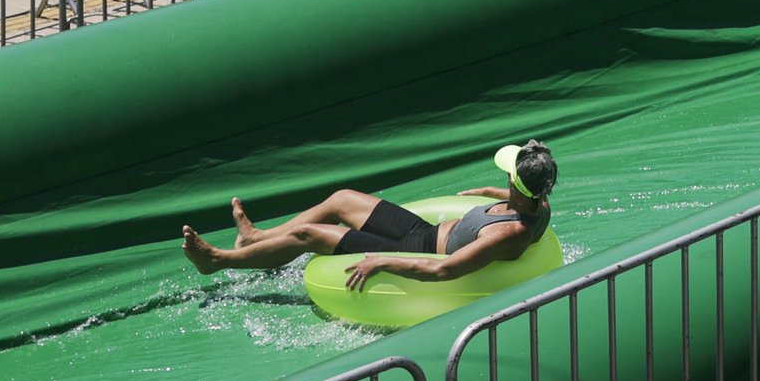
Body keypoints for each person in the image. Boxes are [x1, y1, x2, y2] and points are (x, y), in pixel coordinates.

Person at [179, 142, 556, 293]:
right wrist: (486, 194)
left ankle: (219, 261)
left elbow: (445, 271)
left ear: (519, 187)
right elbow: (513, 201)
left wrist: (383, 261)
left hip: (412, 250)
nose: (504, 178)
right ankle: (256, 238)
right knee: (343, 199)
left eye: (508, 177)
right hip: (424, 231)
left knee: (312, 234)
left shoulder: (506, 235)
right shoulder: (539, 204)